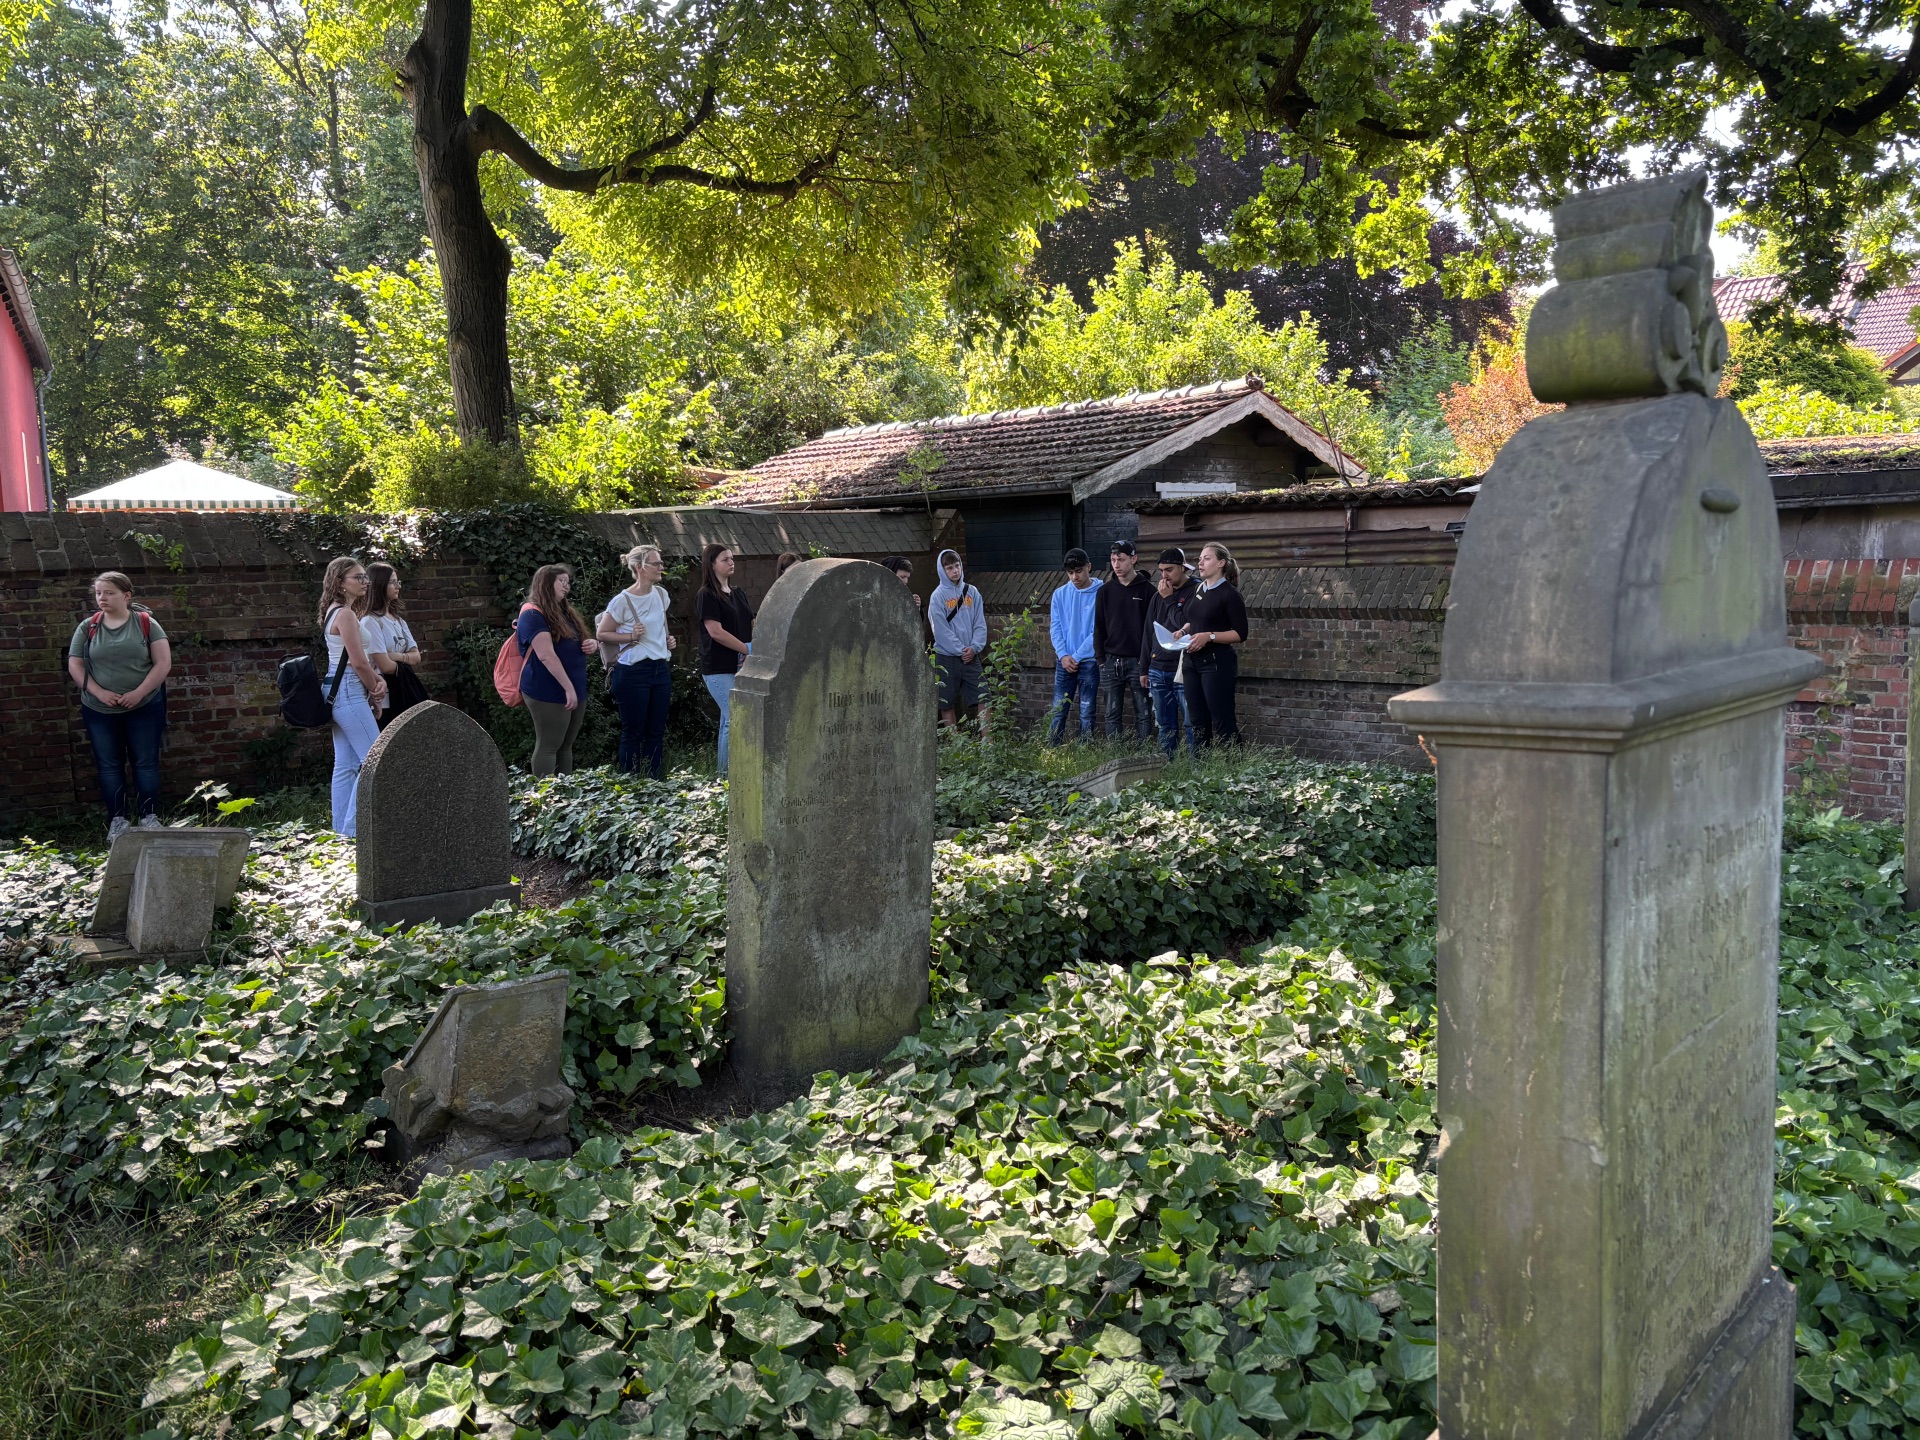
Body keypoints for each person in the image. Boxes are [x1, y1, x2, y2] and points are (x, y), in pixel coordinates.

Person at [67, 571, 174, 839]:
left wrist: (139, 692)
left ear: (127, 596)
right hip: (99, 710)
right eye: (98, 593)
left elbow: (163, 663)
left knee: (146, 762)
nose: (102, 598)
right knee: (109, 765)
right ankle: (118, 821)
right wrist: (99, 692)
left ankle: (149, 817)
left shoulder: (146, 624)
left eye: (109, 592)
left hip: (145, 706)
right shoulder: (88, 627)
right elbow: (75, 664)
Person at [316, 557, 387, 836]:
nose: (365, 582)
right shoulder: (344, 614)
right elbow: (357, 662)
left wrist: (371, 686)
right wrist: (375, 688)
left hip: (338, 690)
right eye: (358, 577)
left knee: (345, 764)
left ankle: (342, 833)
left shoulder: (334, 612)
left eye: (365, 577)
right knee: (375, 759)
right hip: (347, 689)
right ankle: (354, 829)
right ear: (339, 582)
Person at [597, 544, 676, 779]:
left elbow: (659, 627)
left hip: (660, 670)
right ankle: (631, 788)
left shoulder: (662, 595)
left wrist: (667, 640)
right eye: (656, 563)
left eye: (661, 562)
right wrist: (630, 636)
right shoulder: (622, 601)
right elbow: (602, 633)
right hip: (632, 672)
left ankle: (656, 783)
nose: (661, 567)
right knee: (633, 733)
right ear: (640, 568)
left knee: (656, 731)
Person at [517, 563, 600, 776]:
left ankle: (566, 798)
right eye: (561, 582)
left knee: (565, 746)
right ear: (546, 584)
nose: (566, 586)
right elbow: (546, 655)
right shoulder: (532, 614)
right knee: (549, 745)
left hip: (574, 687)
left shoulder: (564, 611)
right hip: (548, 690)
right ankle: (546, 800)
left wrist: (591, 644)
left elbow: (573, 643)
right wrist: (568, 688)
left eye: (568, 582)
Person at [1178, 541, 1250, 747]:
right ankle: (1202, 772)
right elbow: (1196, 619)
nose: (1200, 563)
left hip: (1216, 663)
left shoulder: (1230, 594)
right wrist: (1183, 631)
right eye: (1199, 559)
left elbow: (1240, 633)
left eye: (1206, 558)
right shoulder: (1199, 588)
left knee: (1222, 721)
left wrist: (1209, 636)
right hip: (1191, 662)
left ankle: (1234, 769)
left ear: (1221, 563)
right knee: (1197, 722)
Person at [695, 543, 753, 775]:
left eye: (731, 558)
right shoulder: (706, 595)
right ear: (711, 564)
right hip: (718, 668)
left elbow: (750, 623)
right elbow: (715, 632)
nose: (731, 563)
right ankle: (727, 775)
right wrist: (746, 649)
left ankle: (724, 774)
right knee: (734, 718)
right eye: (725, 559)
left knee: (727, 721)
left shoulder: (739, 593)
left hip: (744, 665)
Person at [1141, 548, 1199, 759]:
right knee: (1165, 725)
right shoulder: (1158, 595)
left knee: (1191, 723)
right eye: (1161, 570)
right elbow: (1149, 630)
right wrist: (1144, 667)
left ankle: (1195, 769)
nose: (1164, 575)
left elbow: (1186, 623)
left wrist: (1169, 599)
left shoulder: (1196, 590)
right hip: (1157, 667)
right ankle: (1167, 769)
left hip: (1183, 668)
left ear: (1183, 568)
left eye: (1169, 570)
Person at [1093, 539, 1153, 744]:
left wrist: (1147, 661)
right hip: (1110, 661)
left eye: (1121, 559)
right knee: (1111, 714)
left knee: (1144, 713)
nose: (1116, 565)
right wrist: (1101, 659)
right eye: (1113, 560)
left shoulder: (1148, 591)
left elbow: (1152, 630)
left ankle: (1144, 755)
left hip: (1139, 661)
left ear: (1134, 559)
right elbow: (1098, 627)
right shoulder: (1105, 591)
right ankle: (1115, 757)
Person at [361, 562, 427, 729]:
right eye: (393, 582)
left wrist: (394, 656)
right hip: (385, 697)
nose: (398, 586)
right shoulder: (370, 621)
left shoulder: (399, 621)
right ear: (379, 585)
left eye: (398, 582)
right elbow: (385, 666)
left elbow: (416, 656)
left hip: (403, 688)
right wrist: (404, 659)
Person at [927, 549, 987, 730]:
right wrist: (960, 649)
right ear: (942, 570)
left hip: (971, 654)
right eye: (949, 568)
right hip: (947, 656)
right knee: (946, 702)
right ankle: (956, 746)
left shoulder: (972, 592)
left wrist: (974, 647)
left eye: (957, 565)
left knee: (983, 697)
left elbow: (979, 623)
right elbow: (940, 630)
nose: (955, 571)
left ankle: (988, 744)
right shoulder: (937, 597)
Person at [1047, 547, 1101, 744]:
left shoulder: (1101, 593)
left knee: (1087, 710)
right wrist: (1063, 655)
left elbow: (1096, 631)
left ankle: (1085, 750)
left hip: (1088, 661)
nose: (1074, 577)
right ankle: (1052, 749)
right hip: (1064, 660)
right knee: (1058, 710)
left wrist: (1076, 657)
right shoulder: (1059, 594)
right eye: (1070, 573)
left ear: (1089, 567)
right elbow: (1055, 627)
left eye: (1078, 571)